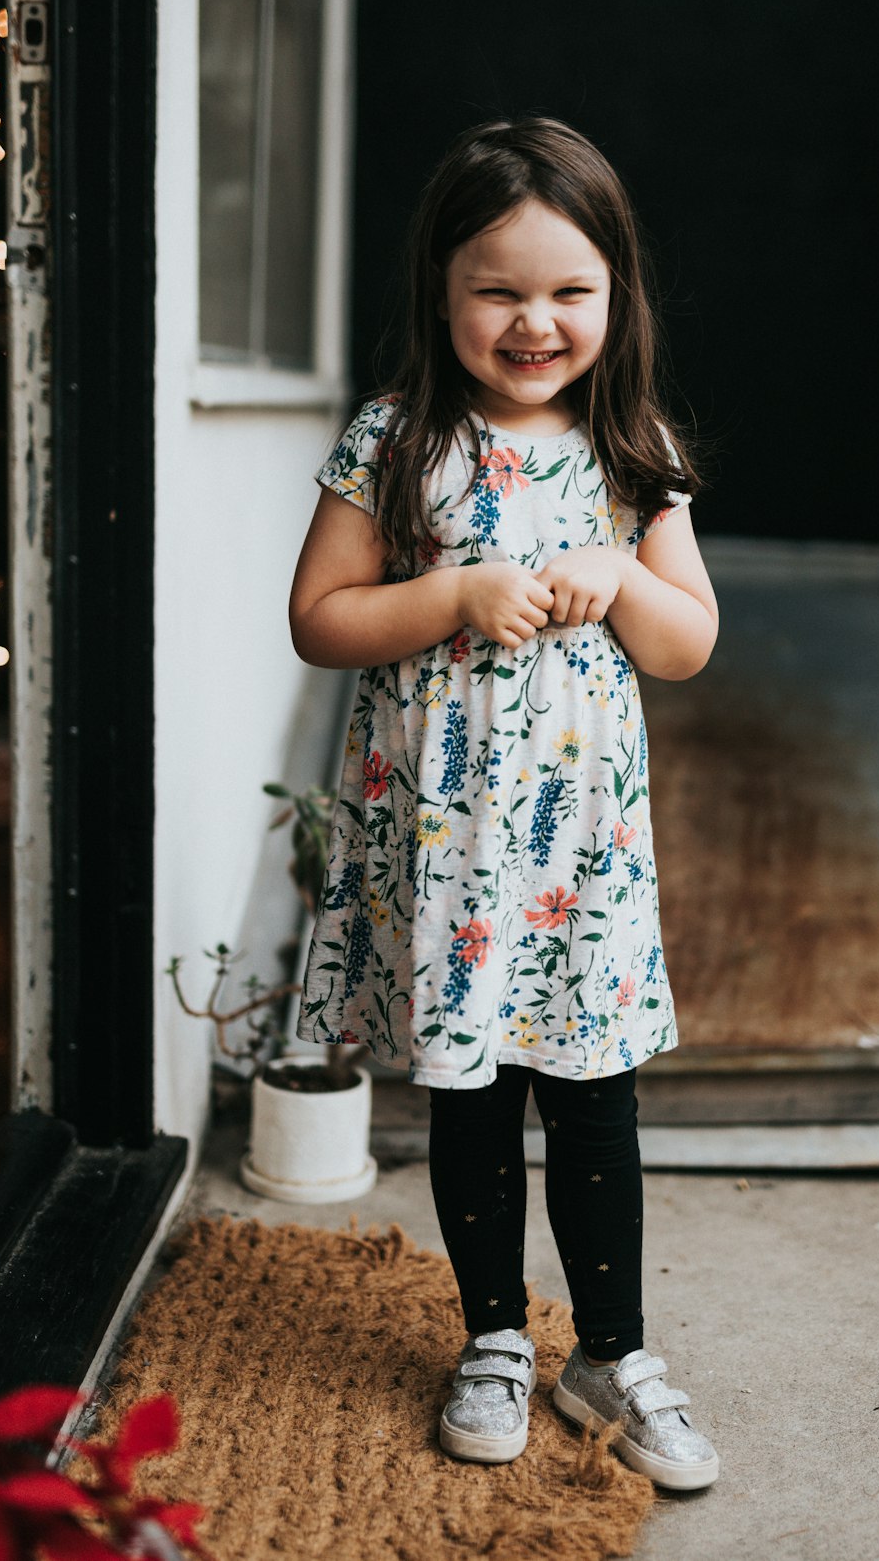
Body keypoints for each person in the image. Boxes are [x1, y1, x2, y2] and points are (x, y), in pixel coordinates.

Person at [288, 117, 720, 1491]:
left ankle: (609, 1350)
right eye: (500, 289)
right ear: (444, 291)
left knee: (595, 1100)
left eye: (568, 291)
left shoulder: (628, 447)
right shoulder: (395, 440)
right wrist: (456, 594)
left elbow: (687, 640)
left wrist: (623, 572)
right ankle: (491, 1338)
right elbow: (321, 618)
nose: (535, 320)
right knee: (470, 1095)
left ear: (615, 297)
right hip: (447, 851)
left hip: (582, 860)